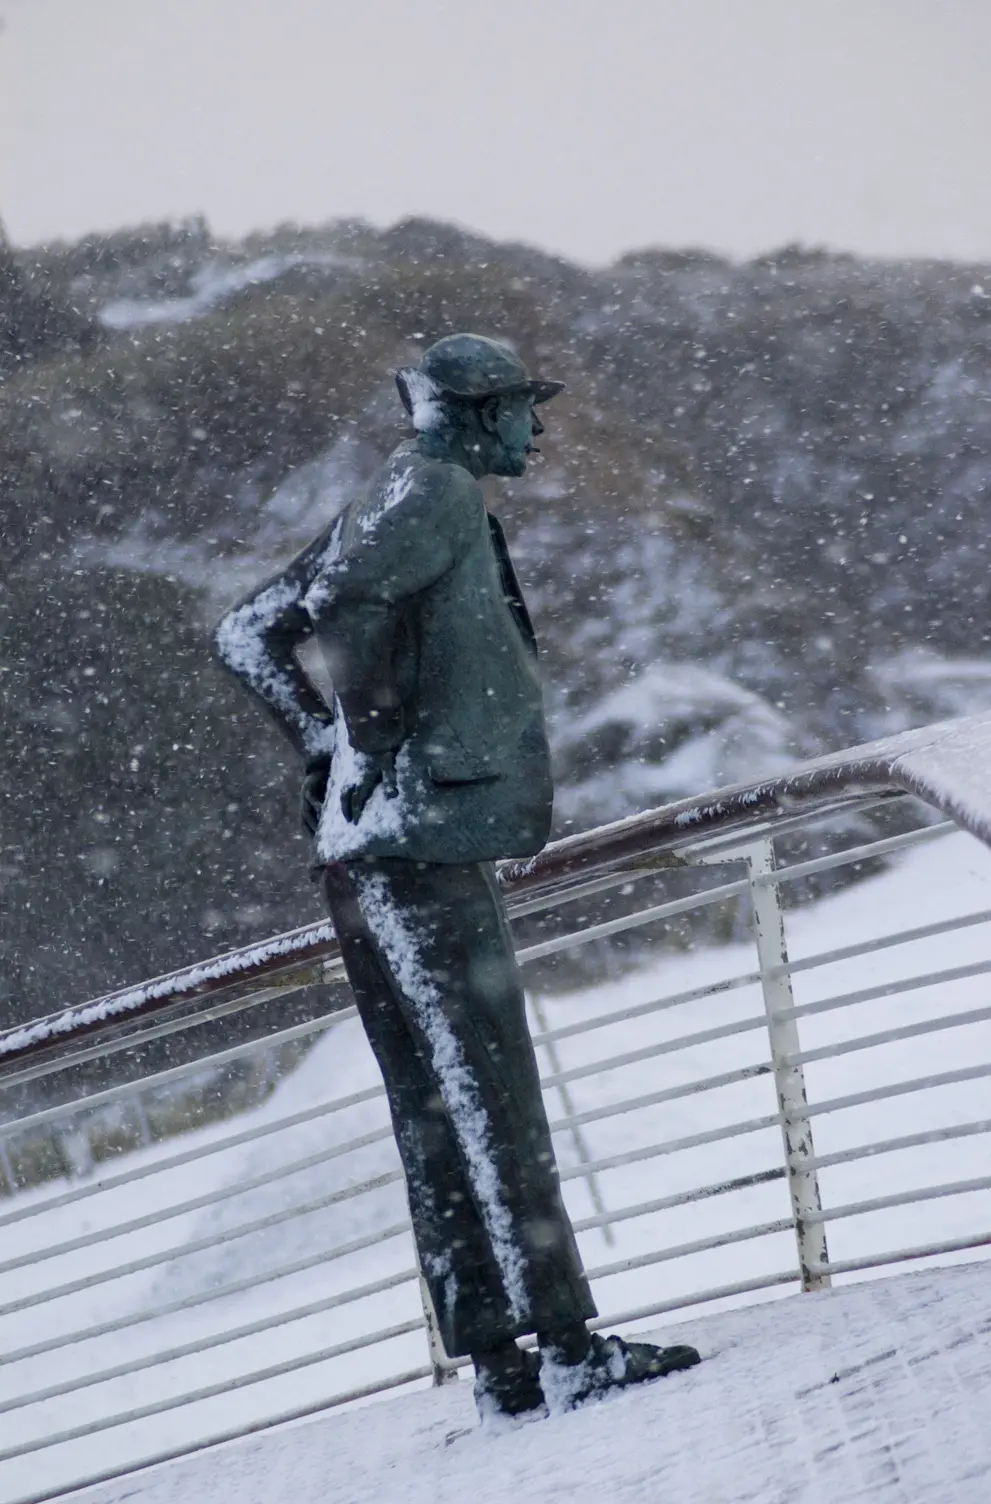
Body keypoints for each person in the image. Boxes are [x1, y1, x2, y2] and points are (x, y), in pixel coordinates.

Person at [214, 333, 700, 1420]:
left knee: (434, 1110)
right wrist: (372, 744)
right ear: (480, 412)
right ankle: (568, 1349)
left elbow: (249, 633)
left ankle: (500, 1364)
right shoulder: (432, 490)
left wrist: (325, 748)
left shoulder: (396, 495)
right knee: (492, 1097)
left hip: (376, 850)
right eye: (527, 409)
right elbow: (337, 612)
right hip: (415, 844)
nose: (538, 429)